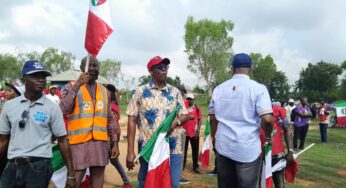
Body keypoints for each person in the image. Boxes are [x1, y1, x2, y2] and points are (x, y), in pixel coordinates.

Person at [0, 60, 76, 188]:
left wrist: (71, 174)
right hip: (12, 166)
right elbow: (3, 141)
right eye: (35, 76)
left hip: (38, 167)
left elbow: (63, 141)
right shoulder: (9, 106)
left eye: (43, 76)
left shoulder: (52, 108)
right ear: (23, 79)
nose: (41, 80)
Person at [208, 53, 273, 188]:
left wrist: (214, 137)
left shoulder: (219, 89)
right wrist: (267, 137)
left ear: (232, 68)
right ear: (250, 69)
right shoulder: (258, 89)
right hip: (247, 148)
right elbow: (267, 119)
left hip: (223, 146)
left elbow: (213, 118)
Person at [126, 56, 189, 188]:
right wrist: (130, 151)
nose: (164, 70)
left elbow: (184, 114)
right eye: (160, 68)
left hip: (172, 147)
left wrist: (175, 123)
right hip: (149, 147)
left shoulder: (175, 92)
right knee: (147, 183)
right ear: (151, 71)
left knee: (171, 184)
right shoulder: (140, 92)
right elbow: (132, 120)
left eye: (166, 67)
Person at [60, 56, 120, 187]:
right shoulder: (70, 87)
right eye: (89, 66)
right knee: (73, 182)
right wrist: (77, 85)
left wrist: (114, 142)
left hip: (100, 144)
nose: (92, 68)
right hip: (79, 144)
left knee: (98, 182)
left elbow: (110, 119)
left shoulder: (105, 91)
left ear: (99, 68)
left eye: (95, 66)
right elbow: (63, 109)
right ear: (82, 69)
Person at [260, 102, 294, 188]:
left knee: (279, 184)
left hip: (276, 154)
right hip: (256, 155)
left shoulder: (278, 110)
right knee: (259, 183)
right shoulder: (250, 110)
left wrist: (290, 151)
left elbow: (287, 130)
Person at [105, 84, 133, 188]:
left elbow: (113, 125)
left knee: (102, 162)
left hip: (109, 137)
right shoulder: (114, 105)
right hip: (113, 136)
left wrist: (112, 141)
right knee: (114, 161)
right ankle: (126, 182)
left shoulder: (110, 107)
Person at [0, 82, 25, 177]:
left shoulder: (19, 110)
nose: (6, 92)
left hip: (10, 150)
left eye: (10, 91)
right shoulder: (7, 106)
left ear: (18, 94)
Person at [182, 93, 202, 173]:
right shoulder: (183, 107)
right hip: (184, 132)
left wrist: (198, 130)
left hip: (194, 132)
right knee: (184, 150)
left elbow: (200, 119)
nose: (189, 100)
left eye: (191, 99)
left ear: (193, 99)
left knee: (195, 150)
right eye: (188, 99)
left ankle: (195, 167)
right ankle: (182, 166)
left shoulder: (196, 108)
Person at [176, 84, 191, 185]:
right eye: (183, 92)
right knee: (178, 155)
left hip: (177, 130)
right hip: (178, 131)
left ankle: (176, 175)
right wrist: (190, 117)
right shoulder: (180, 101)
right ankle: (178, 176)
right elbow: (183, 116)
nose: (184, 94)